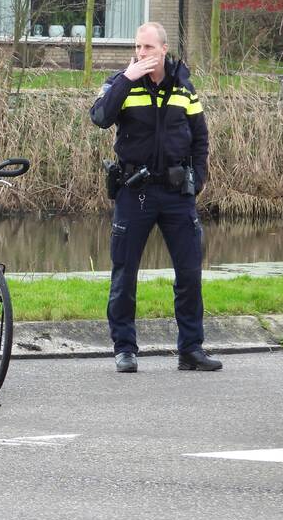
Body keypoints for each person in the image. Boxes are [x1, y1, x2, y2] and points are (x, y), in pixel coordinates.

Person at [90, 21, 221, 373]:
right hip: (135, 191)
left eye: (148, 47)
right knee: (124, 273)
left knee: (189, 273)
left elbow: (200, 138)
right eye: (137, 47)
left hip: (177, 193)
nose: (141, 53)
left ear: (164, 49)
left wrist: (197, 180)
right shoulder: (122, 82)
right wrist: (126, 78)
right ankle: (125, 349)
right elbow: (100, 117)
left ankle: (191, 349)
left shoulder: (184, 87)